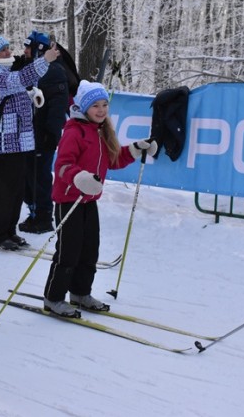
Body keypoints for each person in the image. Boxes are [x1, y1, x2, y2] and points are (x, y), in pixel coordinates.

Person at [42, 80, 157, 317]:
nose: (102, 109)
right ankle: (53, 298)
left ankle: (80, 293)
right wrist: (79, 178)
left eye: (104, 104)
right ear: (83, 107)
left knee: (89, 251)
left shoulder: (102, 131)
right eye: (95, 105)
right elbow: (62, 165)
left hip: (89, 201)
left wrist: (136, 148)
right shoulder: (74, 132)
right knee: (68, 252)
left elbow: (113, 160)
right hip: (69, 201)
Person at [0, 31, 59, 250]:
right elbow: (15, 82)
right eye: (3, 49)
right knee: (3, 189)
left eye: (8, 48)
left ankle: (9, 231)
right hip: (2, 140)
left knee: (16, 189)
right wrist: (44, 61)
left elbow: (17, 87)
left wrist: (31, 96)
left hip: (19, 139)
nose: (9, 52)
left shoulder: (5, 69)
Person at [18, 31, 68, 234]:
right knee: (29, 174)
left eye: (28, 48)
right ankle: (34, 211)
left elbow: (58, 106)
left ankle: (44, 216)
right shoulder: (31, 69)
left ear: (39, 49)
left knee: (40, 175)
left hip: (43, 133)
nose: (25, 51)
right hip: (29, 133)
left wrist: (50, 133)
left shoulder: (54, 71)